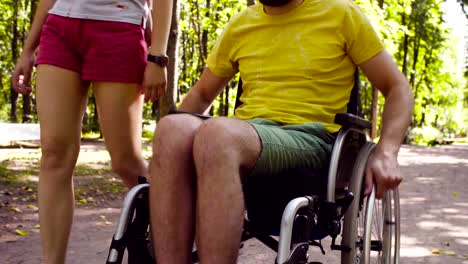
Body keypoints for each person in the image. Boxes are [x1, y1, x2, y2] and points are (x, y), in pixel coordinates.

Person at [148, 0, 413, 262]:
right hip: (248, 134)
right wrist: (169, 157)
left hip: (311, 138)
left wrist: (387, 151)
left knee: (217, 135)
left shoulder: (341, 14)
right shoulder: (242, 23)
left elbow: (397, 87)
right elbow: (203, 93)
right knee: (171, 128)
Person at [11, 0, 172, 263]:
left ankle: (174, 239)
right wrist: (28, 49)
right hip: (60, 26)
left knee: (126, 162)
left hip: (120, 26)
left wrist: (158, 56)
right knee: (54, 153)